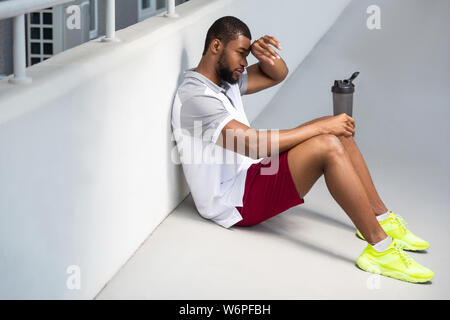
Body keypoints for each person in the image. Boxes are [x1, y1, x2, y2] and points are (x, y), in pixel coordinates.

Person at [171, 16, 433, 283]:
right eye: (241, 53)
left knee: (337, 133)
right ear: (216, 46)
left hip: (247, 177)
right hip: (232, 202)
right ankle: (380, 248)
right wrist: (320, 128)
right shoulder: (196, 97)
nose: (244, 63)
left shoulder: (225, 79)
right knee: (328, 143)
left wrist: (265, 55)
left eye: (247, 55)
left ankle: (382, 217)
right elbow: (252, 145)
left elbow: (278, 74)